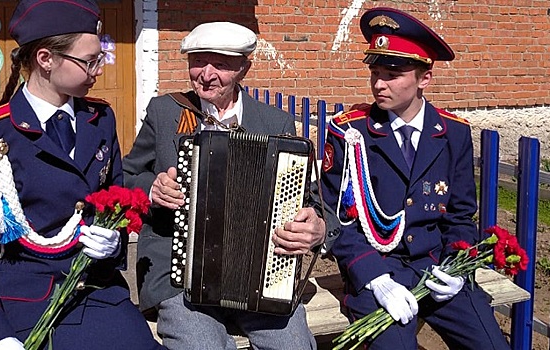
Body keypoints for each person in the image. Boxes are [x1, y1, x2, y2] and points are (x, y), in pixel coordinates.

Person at [0, 1, 163, 349]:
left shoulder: (100, 119)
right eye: (89, 60)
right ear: (45, 59)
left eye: (99, 57)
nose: (99, 69)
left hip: (97, 293)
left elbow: (115, 200)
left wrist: (113, 242)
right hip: (24, 305)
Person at [122, 21, 329, 350]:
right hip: (181, 277)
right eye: (198, 61)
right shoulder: (165, 112)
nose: (205, 74)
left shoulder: (275, 122)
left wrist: (316, 227)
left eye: (220, 64)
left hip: (261, 275)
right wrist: (152, 190)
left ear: (244, 68)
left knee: (296, 346)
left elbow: (312, 202)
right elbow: (127, 175)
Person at [320, 7, 511, 350]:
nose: (379, 83)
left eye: (393, 74)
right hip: (379, 271)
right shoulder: (350, 132)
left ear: (424, 78)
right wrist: (374, 278)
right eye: (375, 72)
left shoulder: (452, 133)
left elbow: (460, 214)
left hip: (436, 268)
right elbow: (335, 218)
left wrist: (457, 268)